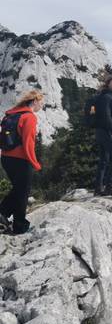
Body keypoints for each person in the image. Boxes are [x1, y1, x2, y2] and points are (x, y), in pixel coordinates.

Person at [0, 90, 43, 234]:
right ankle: (19, 226)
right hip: (21, 160)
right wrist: (34, 162)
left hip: (6, 158)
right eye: (41, 102)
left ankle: (2, 213)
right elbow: (28, 143)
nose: (41, 106)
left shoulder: (12, 114)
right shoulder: (29, 117)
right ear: (34, 101)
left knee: (19, 189)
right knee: (23, 192)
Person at [94, 75, 112, 196]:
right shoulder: (107, 97)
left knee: (104, 160)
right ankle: (109, 187)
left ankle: (98, 188)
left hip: (100, 131)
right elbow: (107, 117)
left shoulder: (104, 96)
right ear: (108, 83)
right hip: (106, 132)